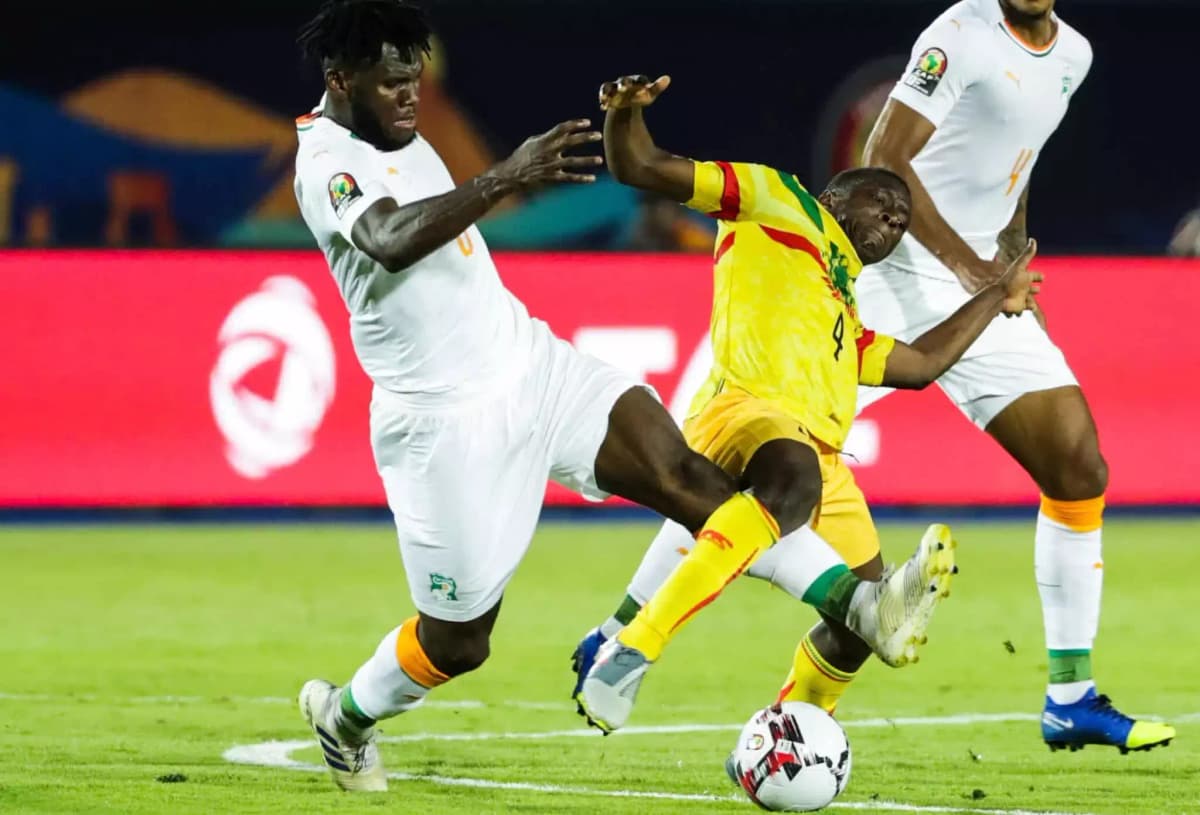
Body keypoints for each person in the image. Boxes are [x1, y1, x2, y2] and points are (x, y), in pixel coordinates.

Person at [290, 1, 943, 792]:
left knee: (695, 481)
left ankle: (856, 604)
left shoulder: (398, 130)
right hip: (444, 422)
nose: (408, 98)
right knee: (459, 642)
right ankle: (346, 717)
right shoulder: (326, 161)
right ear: (339, 80)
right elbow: (389, 240)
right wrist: (506, 175)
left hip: (532, 365)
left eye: (414, 80)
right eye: (391, 84)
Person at [574, 73, 1041, 735]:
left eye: (902, 221)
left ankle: (790, 736)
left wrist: (997, 295)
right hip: (746, 412)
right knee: (791, 487)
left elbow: (921, 365)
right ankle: (634, 646)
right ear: (836, 193)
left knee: (862, 629)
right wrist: (624, 115)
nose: (893, 220)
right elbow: (641, 165)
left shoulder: (843, 312)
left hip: (823, 460)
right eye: (884, 202)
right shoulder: (775, 197)